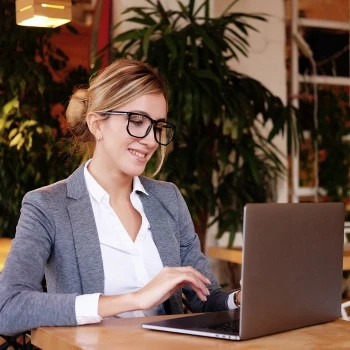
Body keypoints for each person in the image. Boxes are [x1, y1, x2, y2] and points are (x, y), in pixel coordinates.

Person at [0, 59, 240, 336]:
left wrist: (239, 298)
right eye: (137, 121)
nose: (150, 140)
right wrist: (134, 299)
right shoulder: (48, 205)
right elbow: (8, 307)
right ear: (97, 125)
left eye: (157, 126)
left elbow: (206, 297)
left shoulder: (168, 199)